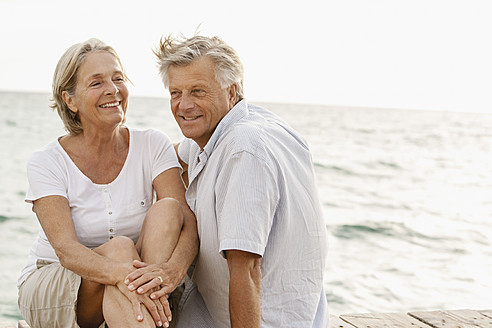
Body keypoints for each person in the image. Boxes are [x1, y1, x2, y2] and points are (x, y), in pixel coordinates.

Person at [17, 38, 198, 328]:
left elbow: (187, 221)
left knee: (168, 209)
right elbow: (66, 250)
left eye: (118, 78)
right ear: (70, 100)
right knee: (119, 247)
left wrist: (172, 271)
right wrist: (127, 275)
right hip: (58, 281)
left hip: (133, 276)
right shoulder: (46, 161)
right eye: (96, 83)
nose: (113, 89)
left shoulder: (152, 144)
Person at [153, 34, 329, 328]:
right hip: (241, 308)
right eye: (175, 93)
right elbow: (172, 156)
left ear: (231, 91)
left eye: (197, 91)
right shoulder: (227, 128)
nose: (183, 106)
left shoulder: (243, 149)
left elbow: (246, 269)